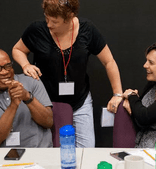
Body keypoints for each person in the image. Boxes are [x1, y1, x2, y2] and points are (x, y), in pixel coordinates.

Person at [12, 0, 122, 147]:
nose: (49, 24)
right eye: (46, 18)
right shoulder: (37, 30)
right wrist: (25, 64)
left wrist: (117, 94)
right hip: (45, 104)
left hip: (80, 102)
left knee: (87, 150)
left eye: (55, 21)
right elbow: (17, 50)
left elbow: (109, 62)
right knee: (50, 149)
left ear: (70, 16)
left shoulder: (87, 29)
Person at [0, 48, 53, 147]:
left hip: (38, 152)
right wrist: (13, 105)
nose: (4, 72)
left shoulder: (32, 81)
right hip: (6, 157)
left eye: (8, 66)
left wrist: (27, 97)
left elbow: (48, 122)